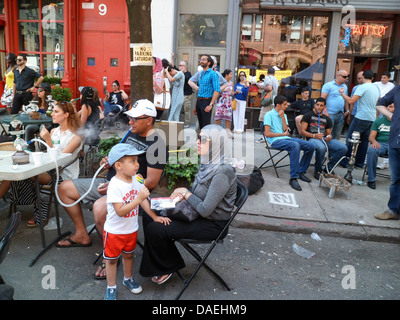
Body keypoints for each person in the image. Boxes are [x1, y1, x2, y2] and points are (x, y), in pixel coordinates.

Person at [56, 99, 167, 279]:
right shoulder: (132, 133)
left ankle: (110, 255)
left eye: (135, 119)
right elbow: (120, 158)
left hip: (131, 193)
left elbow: (151, 183)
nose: (130, 122)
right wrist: (110, 162)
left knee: (100, 209)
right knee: (64, 188)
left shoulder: (157, 145)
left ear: (149, 120)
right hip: (109, 183)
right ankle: (82, 234)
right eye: (130, 118)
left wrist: (118, 185)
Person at [139, 124, 237, 284]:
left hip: (213, 224)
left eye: (203, 139)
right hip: (196, 212)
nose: (198, 142)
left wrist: (186, 192)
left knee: (156, 229)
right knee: (150, 214)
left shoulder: (223, 172)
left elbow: (205, 210)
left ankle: (166, 265)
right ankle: (166, 260)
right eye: (199, 137)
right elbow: (198, 193)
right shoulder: (208, 163)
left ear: (217, 144)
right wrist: (181, 195)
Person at [103, 143, 170, 300]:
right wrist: (138, 199)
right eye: (132, 161)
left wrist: (154, 216)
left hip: (131, 229)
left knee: (129, 256)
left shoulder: (136, 180)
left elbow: (144, 201)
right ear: (118, 165)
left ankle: (128, 279)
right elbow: (120, 211)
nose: (137, 164)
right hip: (114, 231)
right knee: (111, 261)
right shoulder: (114, 185)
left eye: (137, 160)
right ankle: (111, 287)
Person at [0, 101, 83, 227]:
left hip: (63, 176)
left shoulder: (76, 136)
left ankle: (37, 210)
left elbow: (61, 160)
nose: (52, 114)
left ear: (66, 115)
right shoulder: (54, 131)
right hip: (49, 169)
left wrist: (48, 140)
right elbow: (47, 153)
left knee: (21, 173)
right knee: (13, 174)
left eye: (56, 112)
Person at [263, 95, 314, 191]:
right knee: (295, 145)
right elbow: (267, 133)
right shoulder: (268, 115)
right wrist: (282, 134)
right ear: (278, 105)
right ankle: (293, 177)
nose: (287, 106)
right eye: (285, 104)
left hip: (286, 139)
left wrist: (282, 118)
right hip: (275, 141)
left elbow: (286, 130)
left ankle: (300, 171)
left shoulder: (284, 115)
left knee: (310, 146)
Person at [339, 70, 380, 168]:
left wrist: (342, 93)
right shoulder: (376, 87)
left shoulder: (362, 87)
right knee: (364, 141)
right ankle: (359, 163)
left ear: (364, 76)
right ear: (372, 78)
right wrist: (376, 117)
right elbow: (378, 103)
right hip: (372, 117)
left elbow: (351, 100)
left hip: (361, 117)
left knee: (350, 139)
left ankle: (345, 162)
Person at [300, 97, 348, 180]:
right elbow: (302, 131)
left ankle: (329, 168)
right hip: (312, 139)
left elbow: (329, 134)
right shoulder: (308, 115)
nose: (319, 107)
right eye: (317, 105)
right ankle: (318, 170)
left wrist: (329, 137)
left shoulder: (327, 119)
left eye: (321, 105)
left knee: (343, 148)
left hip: (323, 139)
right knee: (321, 148)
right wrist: (313, 136)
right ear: (315, 105)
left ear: (324, 107)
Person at [374, 85, 400, 220]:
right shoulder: (398, 89)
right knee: (396, 179)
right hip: (395, 141)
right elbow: (380, 103)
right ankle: (394, 211)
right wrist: (392, 116)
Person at [365, 103, 394, 189]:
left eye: (392, 107)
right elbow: (371, 137)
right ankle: (371, 179)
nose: (388, 108)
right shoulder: (378, 121)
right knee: (372, 150)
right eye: (388, 106)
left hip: (395, 145)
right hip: (381, 144)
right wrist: (374, 141)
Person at [188, 55, 220, 129]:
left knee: (206, 126)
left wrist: (211, 104)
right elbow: (200, 90)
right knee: (201, 125)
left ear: (209, 62)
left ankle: (206, 140)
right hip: (199, 101)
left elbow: (217, 90)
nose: (201, 61)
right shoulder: (201, 73)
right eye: (201, 59)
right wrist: (196, 106)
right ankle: (201, 140)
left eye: (204, 60)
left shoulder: (213, 74)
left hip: (207, 101)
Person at [320, 69, 349, 139]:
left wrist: (347, 110)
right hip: (330, 114)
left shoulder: (345, 87)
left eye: (347, 76)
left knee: (337, 135)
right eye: (344, 77)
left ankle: (335, 149)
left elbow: (346, 100)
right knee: (328, 135)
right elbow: (322, 99)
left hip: (340, 114)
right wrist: (325, 112)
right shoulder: (328, 85)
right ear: (338, 76)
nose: (346, 78)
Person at [25, 82, 53, 151]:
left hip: (48, 123)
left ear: (46, 92)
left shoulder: (51, 102)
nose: (38, 92)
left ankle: (43, 149)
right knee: (29, 128)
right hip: (36, 122)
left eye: (40, 90)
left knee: (42, 128)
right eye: (38, 90)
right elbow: (28, 110)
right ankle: (30, 149)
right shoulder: (35, 101)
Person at [256, 67, 279, 143]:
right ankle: (269, 137)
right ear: (274, 73)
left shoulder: (268, 77)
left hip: (267, 102)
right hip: (273, 102)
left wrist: (261, 87)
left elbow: (269, 88)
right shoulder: (276, 80)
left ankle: (264, 137)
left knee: (263, 120)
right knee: (271, 120)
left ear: (267, 72)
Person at [215, 69, 234, 138]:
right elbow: (217, 91)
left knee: (228, 117)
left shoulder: (231, 83)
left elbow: (232, 92)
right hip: (221, 100)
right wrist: (225, 89)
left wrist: (232, 92)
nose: (231, 76)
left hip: (228, 101)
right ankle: (217, 132)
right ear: (226, 75)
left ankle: (228, 132)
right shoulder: (221, 82)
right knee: (219, 117)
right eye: (230, 74)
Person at [178, 60, 193, 128]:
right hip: (179, 94)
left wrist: (181, 72)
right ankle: (178, 122)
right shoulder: (178, 73)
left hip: (186, 95)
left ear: (184, 66)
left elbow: (186, 78)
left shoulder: (188, 74)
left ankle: (187, 123)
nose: (179, 67)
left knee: (186, 109)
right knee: (178, 109)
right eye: (179, 65)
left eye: (180, 65)